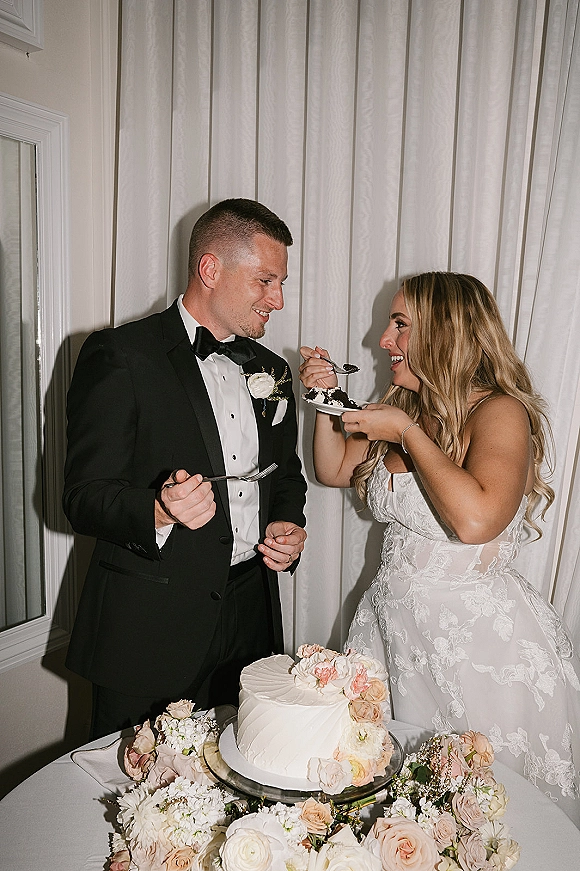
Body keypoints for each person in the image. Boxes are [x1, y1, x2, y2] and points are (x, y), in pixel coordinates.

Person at [300, 271, 580, 823]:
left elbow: (476, 519)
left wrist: (406, 432)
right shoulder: (410, 405)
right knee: (398, 810)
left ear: (447, 332)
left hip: (479, 651)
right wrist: (323, 401)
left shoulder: (500, 412)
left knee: (488, 817)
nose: (384, 340)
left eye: (401, 324)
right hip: (392, 634)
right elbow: (333, 467)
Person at [64, 198, 307, 739]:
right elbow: (81, 497)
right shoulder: (120, 355)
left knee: (242, 787)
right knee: (135, 798)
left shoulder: (271, 369)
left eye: (282, 283)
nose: (280, 300)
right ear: (211, 269)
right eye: (266, 281)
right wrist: (156, 508)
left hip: (251, 616)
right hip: (150, 626)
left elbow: (285, 473)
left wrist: (289, 525)